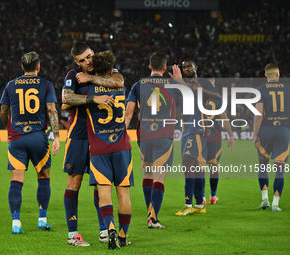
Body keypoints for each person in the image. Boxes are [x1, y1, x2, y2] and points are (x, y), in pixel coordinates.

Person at [61, 42, 124, 246]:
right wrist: (93, 98)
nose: (87, 62)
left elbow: (119, 81)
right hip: (79, 134)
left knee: (101, 183)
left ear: (93, 53)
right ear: (76, 62)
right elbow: (65, 99)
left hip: (101, 136)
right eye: (82, 60)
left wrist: (91, 79)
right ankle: (73, 234)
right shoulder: (73, 75)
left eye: (89, 57)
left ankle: (104, 230)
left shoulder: (106, 70)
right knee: (75, 182)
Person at [0, 52, 60, 234]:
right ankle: (42, 219)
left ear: (21, 66)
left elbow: (3, 111)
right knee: (43, 177)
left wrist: (8, 128)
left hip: (17, 138)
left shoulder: (11, 85)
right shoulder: (46, 85)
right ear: (38, 66)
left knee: (16, 180)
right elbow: (51, 110)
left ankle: (16, 223)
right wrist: (56, 136)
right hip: (38, 138)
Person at [125, 53, 179, 228]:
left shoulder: (138, 85)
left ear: (149, 66)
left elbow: (129, 113)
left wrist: (121, 134)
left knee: (148, 174)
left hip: (144, 136)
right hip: (164, 136)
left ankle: (150, 213)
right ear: (164, 68)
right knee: (159, 177)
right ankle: (153, 219)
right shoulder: (172, 85)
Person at [86, 51, 133, 249]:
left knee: (104, 193)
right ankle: (122, 236)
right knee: (124, 195)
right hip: (122, 146)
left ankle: (110, 229)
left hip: (99, 148)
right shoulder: (119, 83)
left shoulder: (89, 89)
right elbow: (117, 79)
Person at [175, 60, 220, 216]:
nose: (186, 69)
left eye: (189, 66)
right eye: (184, 67)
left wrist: (200, 90)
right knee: (195, 167)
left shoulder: (203, 82)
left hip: (196, 129)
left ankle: (189, 204)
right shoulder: (182, 86)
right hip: (186, 129)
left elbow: (217, 97)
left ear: (196, 67)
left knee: (190, 165)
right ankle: (200, 204)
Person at [254, 63, 290, 212]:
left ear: (265, 76)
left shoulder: (261, 89)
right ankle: (275, 203)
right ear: (278, 74)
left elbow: (259, 113)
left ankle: (264, 200)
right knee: (279, 168)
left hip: (265, 130)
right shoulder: (287, 89)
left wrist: (255, 134)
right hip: (283, 130)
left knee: (263, 165)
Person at [203, 77, 234, 204]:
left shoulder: (197, 96)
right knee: (214, 166)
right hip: (214, 135)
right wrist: (230, 135)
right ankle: (212, 196)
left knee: (199, 167)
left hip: (200, 135)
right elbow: (223, 117)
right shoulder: (217, 98)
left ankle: (202, 197)